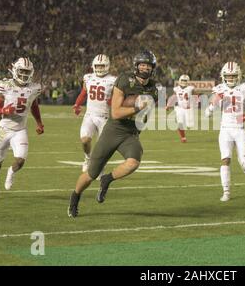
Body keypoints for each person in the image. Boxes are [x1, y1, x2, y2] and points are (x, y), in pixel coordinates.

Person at [68, 50, 160, 218]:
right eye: (142, 65)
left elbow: (146, 115)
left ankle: (107, 179)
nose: (145, 68)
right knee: (90, 174)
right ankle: (75, 197)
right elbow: (116, 113)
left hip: (130, 133)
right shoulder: (125, 80)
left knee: (133, 162)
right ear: (136, 66)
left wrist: (139, 125)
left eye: (148, 65)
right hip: (113, 130)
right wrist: (137, 107)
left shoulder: (154, 88)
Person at [0, 58, 44, 200]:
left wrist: (39, 122)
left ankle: (11, 172)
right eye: (22, 71)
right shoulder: (5, 85)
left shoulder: (34, 88)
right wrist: (3, 110)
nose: (24, 74)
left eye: (27, 72)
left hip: (20, 129)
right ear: (15, 70)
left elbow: (33, 105)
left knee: (20, 160)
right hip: (4, 128)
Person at [205, 62, 245, 202]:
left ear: (238, 75)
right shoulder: (219, 89)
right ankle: (226, 191)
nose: (231, 78)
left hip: (240, 129)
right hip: (225, 130)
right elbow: (207, 111)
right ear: (223, 76)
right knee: (225, 159)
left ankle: (242, 159)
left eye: (233, 75)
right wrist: (210, 108)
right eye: (228, 75)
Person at [72, 54, 117, 172]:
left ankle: (99, 167)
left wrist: (112, 101)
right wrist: (77, 104)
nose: (100, 68)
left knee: (102, 148)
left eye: (102, 66)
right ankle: (87, 158)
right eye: (98, 66)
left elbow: (118, 97)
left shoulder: (113, 80)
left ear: (107, 66)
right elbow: (83, 92)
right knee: (85, 140)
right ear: (93, 66)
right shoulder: (88, 77)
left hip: (105, 117)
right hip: (90, 115)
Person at [166, 74, 196, 143]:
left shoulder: (190, 88)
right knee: (180, 122)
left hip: (189, 108)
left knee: (189, 125)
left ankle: (186, 125)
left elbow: (195, 95)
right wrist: (168, 105)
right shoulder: (176, 89)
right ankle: (183, 137)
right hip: (179, 107)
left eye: (185, 80)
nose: (184, 82)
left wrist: (195, 100)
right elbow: (173, 97)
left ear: (188, 81)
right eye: (182, 80)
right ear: (179, 80)